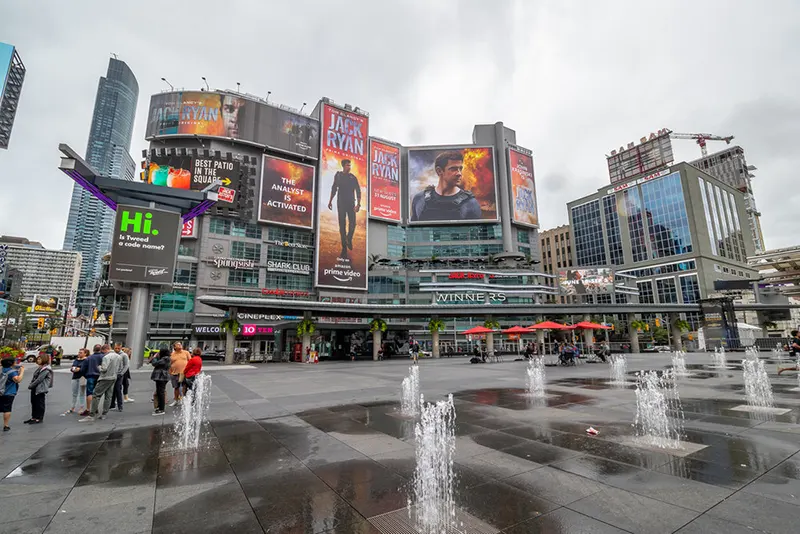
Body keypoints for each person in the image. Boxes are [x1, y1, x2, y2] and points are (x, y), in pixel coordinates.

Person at [410, 150, 482, 222]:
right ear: (439, 171)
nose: (459, 173)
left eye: (460, 169)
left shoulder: (470, 203)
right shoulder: (420, 199)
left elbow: (479, 232)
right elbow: (412, 231)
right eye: (453, 169)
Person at [327, 159, 361, 258]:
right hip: (341, 203)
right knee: (342, 226)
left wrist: (358, 204)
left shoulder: (353, 177)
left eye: (350, 165)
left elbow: (358, 191)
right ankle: (344, 249)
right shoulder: (338, 176)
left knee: (353, 223)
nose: (349, 167)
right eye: (347, 165)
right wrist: (330, 201)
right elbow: (334, 188)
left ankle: (349, 238)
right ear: (343, 166)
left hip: (351, 204)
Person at [79, 344, 122, 422]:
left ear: (105, 350)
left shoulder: (106, 357)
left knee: (96, 395)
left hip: (105, 378)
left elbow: (104, 369)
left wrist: (99, 367)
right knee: (108, 396)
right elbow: (120, 368)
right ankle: (104, 414)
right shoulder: (118, 356)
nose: (102, 353)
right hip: (113, 377)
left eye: (103, 351)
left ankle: (91, 415)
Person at [25, 355, 53, 424]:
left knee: (39, 403)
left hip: (40, 388)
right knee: (34, 402)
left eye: (40, 359)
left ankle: (39, 418)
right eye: (38, 359)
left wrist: (31, 385)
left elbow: (39, 379)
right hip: (35, 387)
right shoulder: (40, 368)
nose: (38, 360)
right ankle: (34, 417)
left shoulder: (46, 369)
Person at [62, 348, 88, 416]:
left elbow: (82, 369)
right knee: (74, 393)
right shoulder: (76, 360)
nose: (79, 354)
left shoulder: (86, 360)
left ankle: (81, 407)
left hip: (82, 378)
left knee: (81, 393)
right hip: (74, 377)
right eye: (79, 352)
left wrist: (77, 369)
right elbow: (73, 368)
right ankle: (72, 407)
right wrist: (75, 369)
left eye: (81, 352)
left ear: (85, 353)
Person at [1, 357, 24, 431]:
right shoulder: (11, 372)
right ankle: (6, 425)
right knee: (7, 409)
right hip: (9, 392)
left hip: (0, 391)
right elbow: (18, 380)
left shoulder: (2, 370)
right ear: (11, 363)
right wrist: (22, 372)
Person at [82, 344, 104, 417]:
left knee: (89, 393)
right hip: (100, 377)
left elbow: (83, 369)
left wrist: (86, 375)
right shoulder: (103, 357)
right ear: (100, 349)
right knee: (97, 393)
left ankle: (89, 409)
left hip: (90, 376)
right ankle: (95, 408)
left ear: (93, 349)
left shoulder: (89, 358)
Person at [149, 348, 170, 416]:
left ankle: (161, 409)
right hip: (161, 377)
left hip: (161, 377)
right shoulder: (165, 358)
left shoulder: (165, 359)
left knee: (161, 392)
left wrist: (154, 357)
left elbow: (154, 363)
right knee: (159, 391)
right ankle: (159, 407)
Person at [169, 342, 190, 407]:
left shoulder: (186, 352)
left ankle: (183, 399)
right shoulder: (172, 354)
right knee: (176, 387)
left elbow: (190, 361)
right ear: (174, 347)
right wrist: (170, 372)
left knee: (184, 386)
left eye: (180, 344)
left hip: (183, 373)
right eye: (178, 344)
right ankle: (176, 400)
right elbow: (169, 364)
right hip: (174, 373)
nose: (180, 345)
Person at [109, 343, 128, 412]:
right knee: (112, 390)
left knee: (118, 389)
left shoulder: (124, 355)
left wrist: (121, 373)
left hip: (119, 375)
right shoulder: (111, 353)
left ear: (121, 348)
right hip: (112, 374)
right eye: (115, 348)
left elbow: (126, 365)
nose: (117, 349)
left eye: (118, 348)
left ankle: (120, 405)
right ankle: (112, 404)